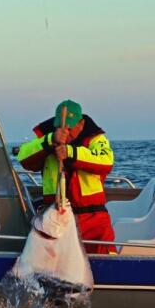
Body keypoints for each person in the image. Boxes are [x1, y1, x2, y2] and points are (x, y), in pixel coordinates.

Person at [17, 100, 116, 254]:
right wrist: (50, 140)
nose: (65, 131)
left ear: (81, 123)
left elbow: (106, 162)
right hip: (55, 219)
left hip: (92, 220)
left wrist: (71, 153)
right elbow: (23, 156)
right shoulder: (47, 137)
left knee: (105, 262)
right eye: (60, 127)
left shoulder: (96, 139)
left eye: (70, 128)